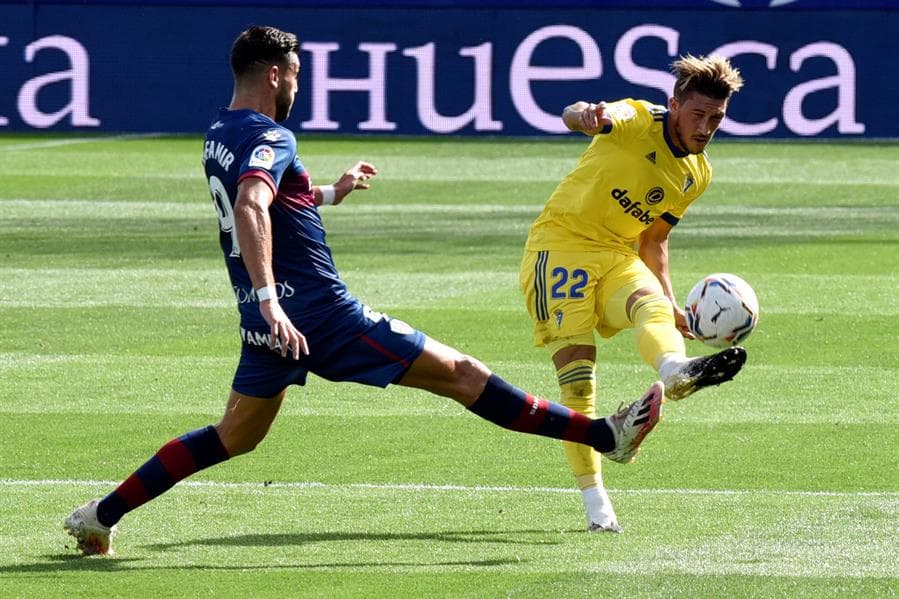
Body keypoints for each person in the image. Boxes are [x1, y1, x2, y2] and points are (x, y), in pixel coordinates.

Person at [63, 25, 664, 556]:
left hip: (263, 322)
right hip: (318, 316)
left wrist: (330, 193)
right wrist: (273, 298)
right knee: (464, 375)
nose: (298, 87)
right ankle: (605, 435)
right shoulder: (274, 136)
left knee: (232, 437)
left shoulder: (220, 131)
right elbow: (250, 204)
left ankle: (100, 516)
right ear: (274, 73)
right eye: (295, 75)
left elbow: (272, 200)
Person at [519, 55, 747, 533]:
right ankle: (595, 501)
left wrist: (673, 303)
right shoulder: (638, 118)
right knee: (579, 385)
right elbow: (579, 111)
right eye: (698, 115)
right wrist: (583, 116)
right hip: (558, 250)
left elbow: (654, 241)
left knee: (653, 307)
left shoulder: (697, 174)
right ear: (674, 105)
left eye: (716, 119)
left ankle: (675, 371)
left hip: (618, 255)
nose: (706, 128)